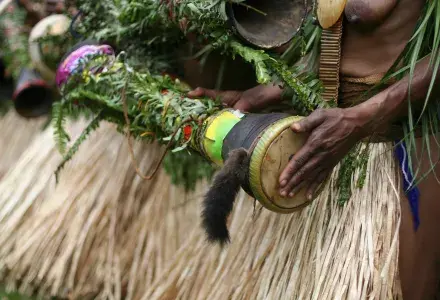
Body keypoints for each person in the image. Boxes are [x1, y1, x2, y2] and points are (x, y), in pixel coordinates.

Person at [187, 0, 440, 299]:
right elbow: (336, 41)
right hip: (324, 152)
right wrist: (269, 91)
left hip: (400, 161)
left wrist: (360, 119)